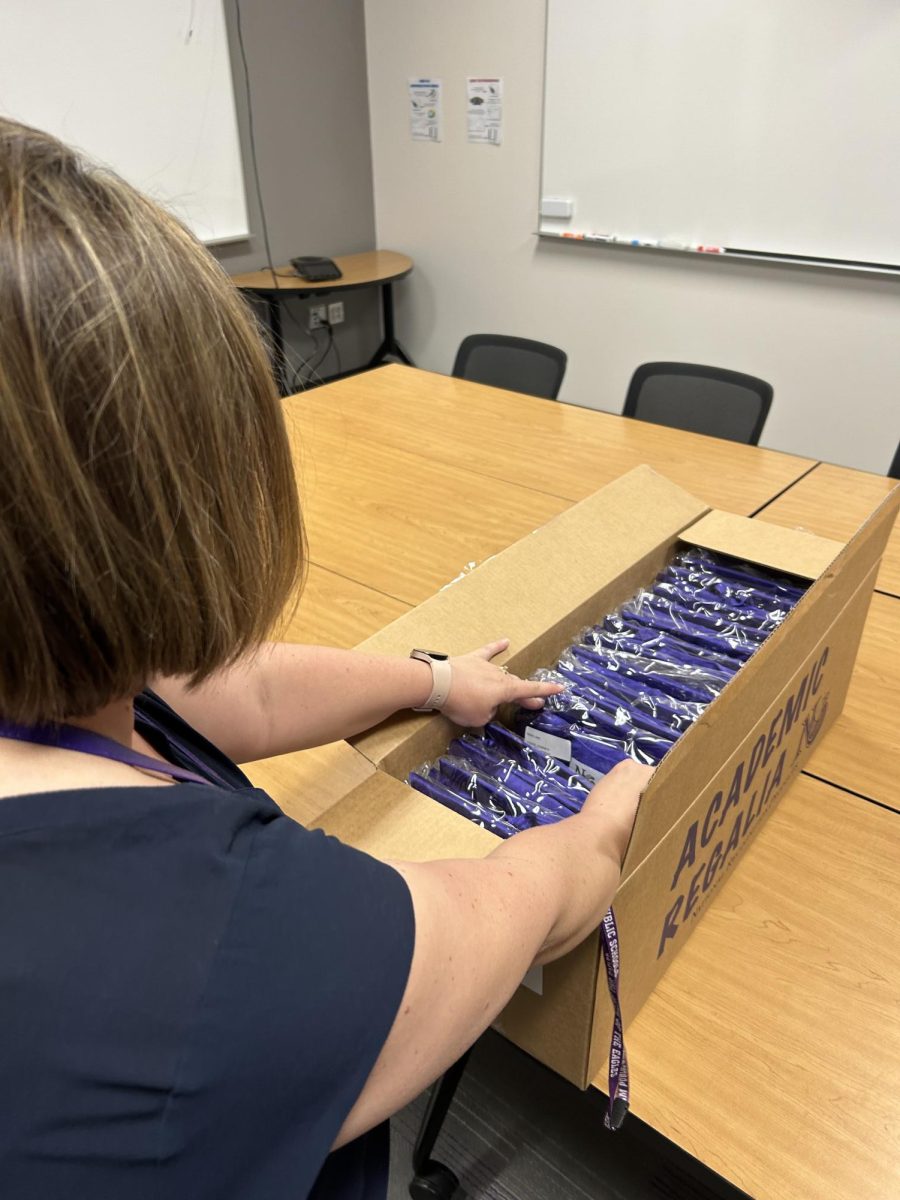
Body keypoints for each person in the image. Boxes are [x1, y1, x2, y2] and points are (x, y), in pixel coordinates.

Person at [0, 117, 653, 1200]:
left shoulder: (49, 661)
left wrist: (438, 682)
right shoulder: (213, 936)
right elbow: (512, 908)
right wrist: (604, 827)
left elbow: (221, 691)